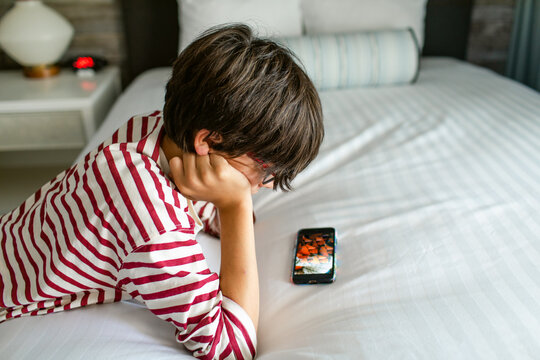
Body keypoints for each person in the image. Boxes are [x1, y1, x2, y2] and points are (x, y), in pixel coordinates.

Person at [0, 24, 323, 359]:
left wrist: (226, 195)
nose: (267, 182)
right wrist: (235, 204)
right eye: (265, 166)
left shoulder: (149, 130)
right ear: (208, 143)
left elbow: (202, 213)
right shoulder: (154, 224)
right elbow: (232, 348)